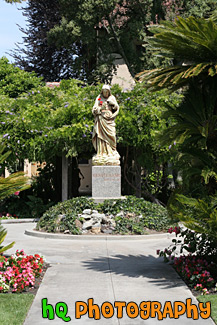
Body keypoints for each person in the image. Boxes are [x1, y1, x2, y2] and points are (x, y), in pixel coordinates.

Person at [92, 85, 120, 165]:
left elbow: (117, 108)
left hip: (110, 119)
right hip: (101, 119)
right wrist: (99, 109)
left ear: (109, 92)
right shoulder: (99, 98)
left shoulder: (112, 98)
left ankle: (112, 152)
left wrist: (113, 104)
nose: (105, 93)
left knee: (112, 135)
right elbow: (94, 109)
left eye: (107, 92)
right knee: (101, 137)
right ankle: (102, 153)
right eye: (104, 92)